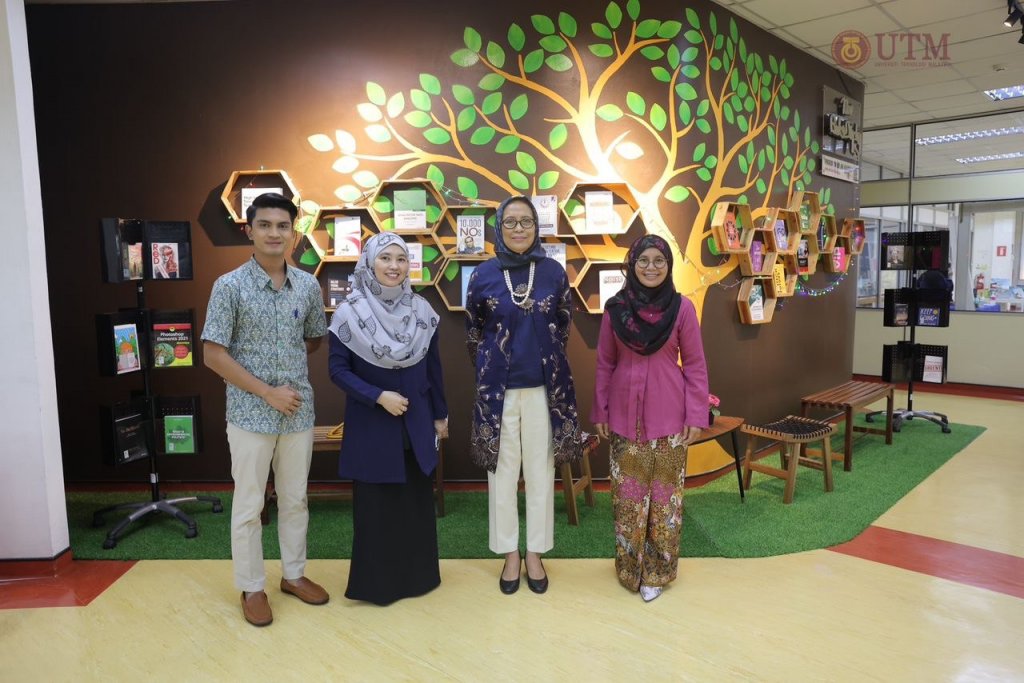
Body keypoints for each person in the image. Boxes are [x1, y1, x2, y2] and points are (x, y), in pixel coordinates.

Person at [201, 192, 330, 627]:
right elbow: (213, 355)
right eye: (265, 225)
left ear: (293, 232)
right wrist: (267, 391)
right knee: (249, 504)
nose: (274, 233)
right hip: (249, 415)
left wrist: (284, 374)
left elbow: (313, 337)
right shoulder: (229, 286)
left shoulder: (307, 285)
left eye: (282, 226)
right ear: (249, 230)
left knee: (295, 499)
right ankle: (252, 586)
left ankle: (293, 575)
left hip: (297, 413)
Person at [465, 195, 582, 595]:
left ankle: (534, 552)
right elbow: (473, 333)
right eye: (510, 222)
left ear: (537, 226)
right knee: (501, 475)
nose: (518, 229)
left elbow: (563, 325)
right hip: (497, 394)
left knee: (540, 473)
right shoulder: (483, 274)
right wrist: (492, 368)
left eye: (526, 221)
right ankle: (509, 554)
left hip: (544, 391)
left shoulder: (553, 272)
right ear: (499, 227)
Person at [327, 232, 448, 605]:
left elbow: (434, 369)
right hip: (373, 425)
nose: (394, 266)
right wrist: (378, 396)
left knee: (415, 504)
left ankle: (419, 578)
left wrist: (440, 415)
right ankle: (378, 586)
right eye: (385, 258)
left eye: (401, 259)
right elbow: (337, 371)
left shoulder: (422, 311)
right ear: (369, 262)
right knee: (376, 509)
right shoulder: (349, 312)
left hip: (416, 422)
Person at [591, 234, 709, 603]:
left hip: (669, 418)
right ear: (632, 264)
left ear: (668, 266)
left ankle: (658, 572)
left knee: (665, 502)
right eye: (643, 260)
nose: (651, 267)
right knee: (628, 500)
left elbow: (695, 365)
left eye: (659, 260)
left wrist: (696, 415)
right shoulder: (615, 309)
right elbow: (605, 363)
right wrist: (600, 410)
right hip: (624, 419)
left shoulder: (682, 309)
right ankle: (629, 569)